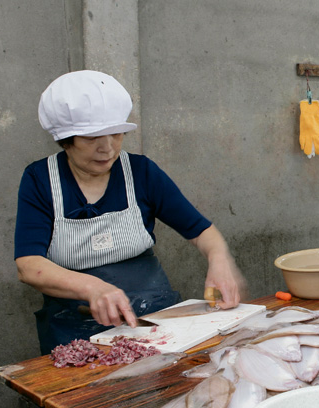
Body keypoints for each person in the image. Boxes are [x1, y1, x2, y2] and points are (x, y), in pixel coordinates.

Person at [15, 70, 247, 355]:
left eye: (116, 133)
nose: (107, 148)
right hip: (72, 325)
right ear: (66, 139)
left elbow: (200, 230)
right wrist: (92, 287)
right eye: (92, 138)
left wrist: (219, 259)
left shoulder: (141, 172)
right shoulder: (41, 179)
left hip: (154, 317)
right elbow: (28, 265)